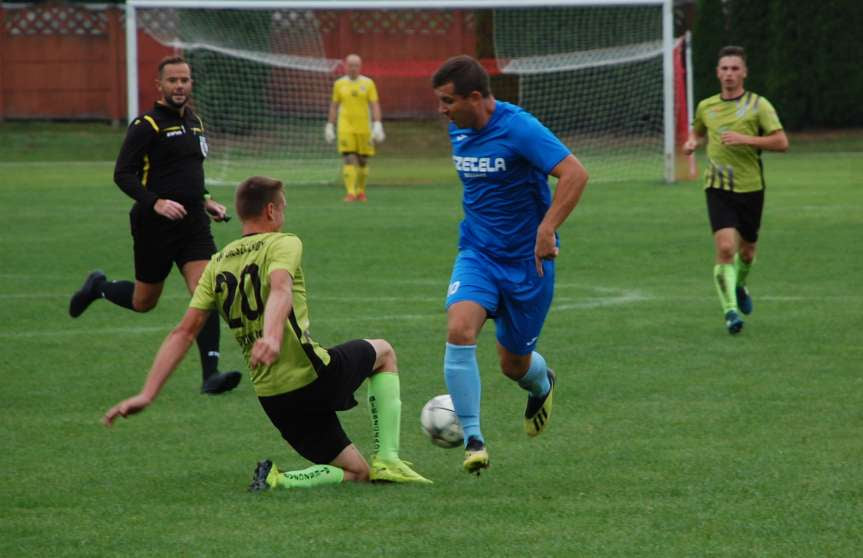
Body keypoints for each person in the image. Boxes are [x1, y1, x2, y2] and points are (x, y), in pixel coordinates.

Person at [102, 176, 432, 490]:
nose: (284, 214)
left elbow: (183, 332)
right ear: (271, 210)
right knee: (384, 352)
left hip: (274, 397)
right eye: (283, 207)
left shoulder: (216, 263)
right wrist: (272, 336)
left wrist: (147, 394)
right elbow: (280, 288)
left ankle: (277, 479)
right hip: (314, 376)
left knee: (357, 473)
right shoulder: (283, 243)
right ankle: (388, 458)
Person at [431, 55, 589, 475]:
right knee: (459, 328)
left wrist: (547, 228)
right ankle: (474, 440)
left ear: (476, 97)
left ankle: (542, 382)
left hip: (527, 264)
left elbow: (575, 174)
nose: (442, 111)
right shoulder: (458, 130)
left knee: (513, 365)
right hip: (477, 254)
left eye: (448, 101)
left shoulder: (519, 127)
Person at [68, 55, 241, 394]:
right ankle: (98, 287)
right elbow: (122, 174)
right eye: (173, 81)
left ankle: (211, 375)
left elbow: (192, 174)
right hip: (153, 226)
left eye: (185, 80)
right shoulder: (146, 125)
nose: (180, 86)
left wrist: (207, 202)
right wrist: (156, 203)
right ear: (159, 85)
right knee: (144, 302)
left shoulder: (195, 121)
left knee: (208, 291)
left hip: (192, 225)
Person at [683, 45, 788, 334]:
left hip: (751, 187)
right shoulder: (706, 106)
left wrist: (747, 139)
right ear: (718, 73)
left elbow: (781, 142)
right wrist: (692, 142)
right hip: (717, 187)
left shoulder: (759, 105)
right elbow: (699, 131)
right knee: (726, 248)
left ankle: (740, 284)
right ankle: (730, 311)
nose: (729, 74)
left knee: (748, 253)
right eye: (724, 69)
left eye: (734, 69)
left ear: (744, 72)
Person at [325, 54, 385, 202]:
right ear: (345, 66)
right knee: (349, 157)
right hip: (345, 127)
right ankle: (351, 193)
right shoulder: (339, 84)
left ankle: (361, 191)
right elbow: (334, 105)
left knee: (363, 160)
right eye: (350, 65)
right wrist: (330, 125)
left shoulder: (368, 83)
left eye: (356, 65)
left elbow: (374, 104)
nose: (353, 68)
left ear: (360, 66)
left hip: (364, 127)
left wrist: (377, 124)